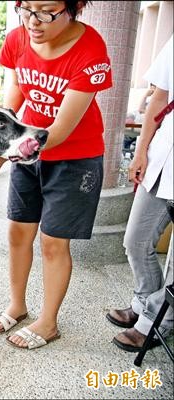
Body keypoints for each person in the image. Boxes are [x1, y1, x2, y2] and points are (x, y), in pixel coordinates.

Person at [0, 1, 112, 349]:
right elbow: (14, 101)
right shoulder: (18, 38)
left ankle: (48, 322)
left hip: (75, 159)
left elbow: (62, 128)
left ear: (72, 9)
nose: (33, 21)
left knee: (53, 242)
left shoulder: (91, 51)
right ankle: (17, 304)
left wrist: (10, 153)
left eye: (46, 12)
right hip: (28, 151)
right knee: (17, 232)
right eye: (26, 9)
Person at [107, 34, 173, 352]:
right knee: (136, 240)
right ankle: (146, 301)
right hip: (164, 156)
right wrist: (141, 151)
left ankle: (155, 320)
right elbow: (159, 99)